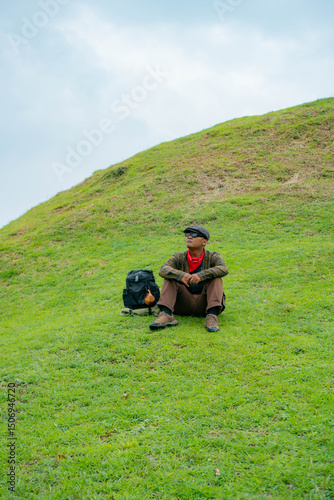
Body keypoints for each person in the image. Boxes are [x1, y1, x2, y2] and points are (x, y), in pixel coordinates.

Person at [149, 225, 228, 332]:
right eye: (187, 235)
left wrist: (201, 275)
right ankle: (166, 315)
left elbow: (223, 269)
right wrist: (180, 275)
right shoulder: (178, 257)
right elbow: (163, 269)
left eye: (194, 235)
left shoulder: (212, 256)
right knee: (170, 277)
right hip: (182, 304)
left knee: (216, 279)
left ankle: (212, 317)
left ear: (204, 242)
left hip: (204, 305)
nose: (189, 237)